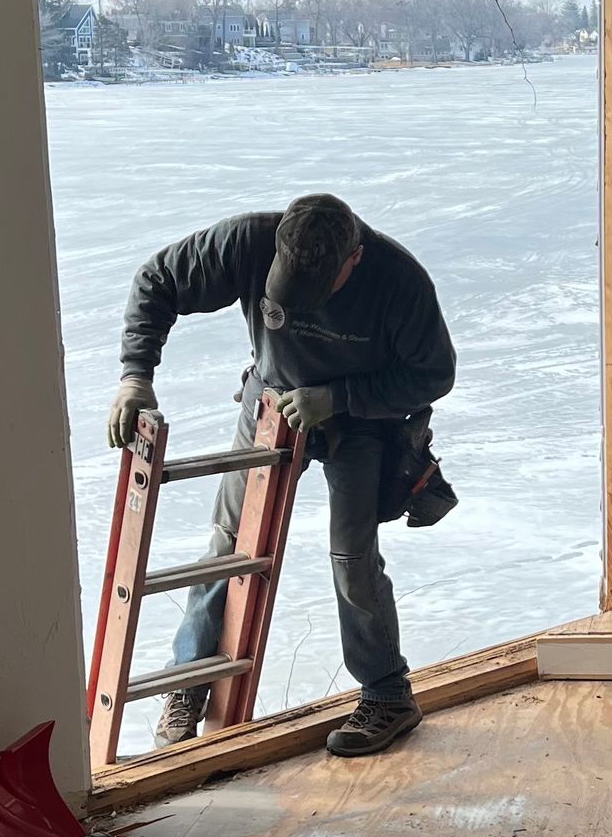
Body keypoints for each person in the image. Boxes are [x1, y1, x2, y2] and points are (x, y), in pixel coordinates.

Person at [107, 194, 456, 758]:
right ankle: (190, 682)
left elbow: (434, 374)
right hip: (270, 402)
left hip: (359, 421)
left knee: (353, 557)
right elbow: (157, 280)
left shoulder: (399, 281)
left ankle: (388, 695)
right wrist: (135, 377)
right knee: (228, 546)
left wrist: (339, 397)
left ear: (354, 260)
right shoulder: (248, 241)